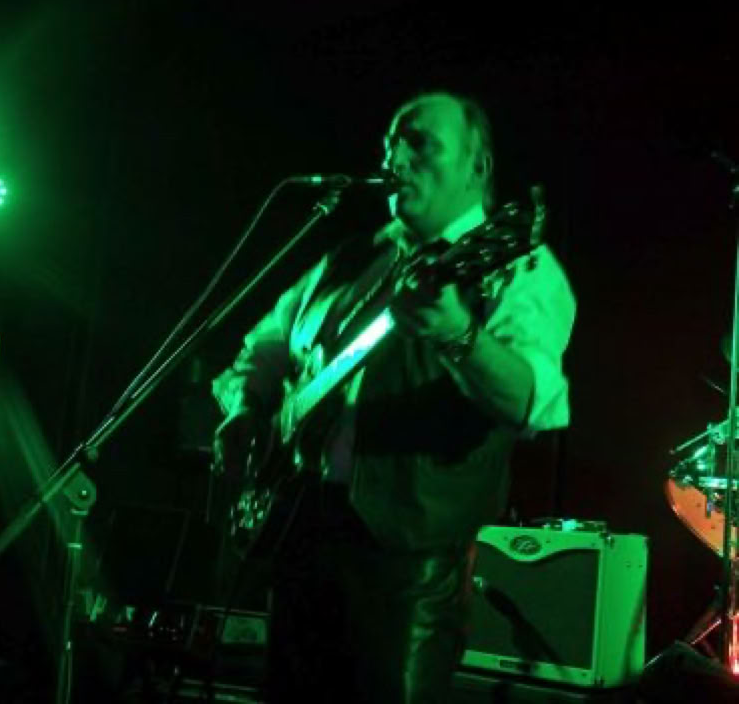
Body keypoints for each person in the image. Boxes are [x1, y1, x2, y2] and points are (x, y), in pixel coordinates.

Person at [211, 91, 576, 703]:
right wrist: (248, 408)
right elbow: (265, 346)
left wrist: (459, 334)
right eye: (389, 145)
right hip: (300, 531)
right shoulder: (351, 258)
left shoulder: (518, 267)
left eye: (419, 143)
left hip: (407, 564)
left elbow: (532, 402)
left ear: (477, 166)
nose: (395, 159)